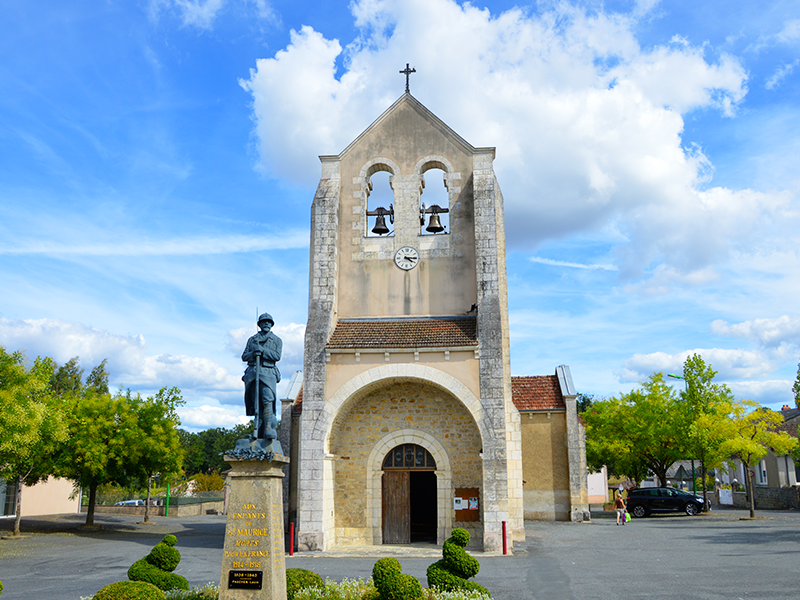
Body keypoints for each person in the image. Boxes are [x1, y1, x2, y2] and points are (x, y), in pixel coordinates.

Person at [241, 312, 282, 440]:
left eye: (268, 322)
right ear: (259, 324)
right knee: (256, 403)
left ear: (271, 325)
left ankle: (269, 428)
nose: (266, 324)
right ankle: (257, 431)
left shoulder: (276, 340)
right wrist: (254, 353)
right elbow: (244, 356)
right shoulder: (252, 340)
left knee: (267, 400)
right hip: (253, 372)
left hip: (268, 372)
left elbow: (277, 356)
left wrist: (263, 351)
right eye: (264, 322)